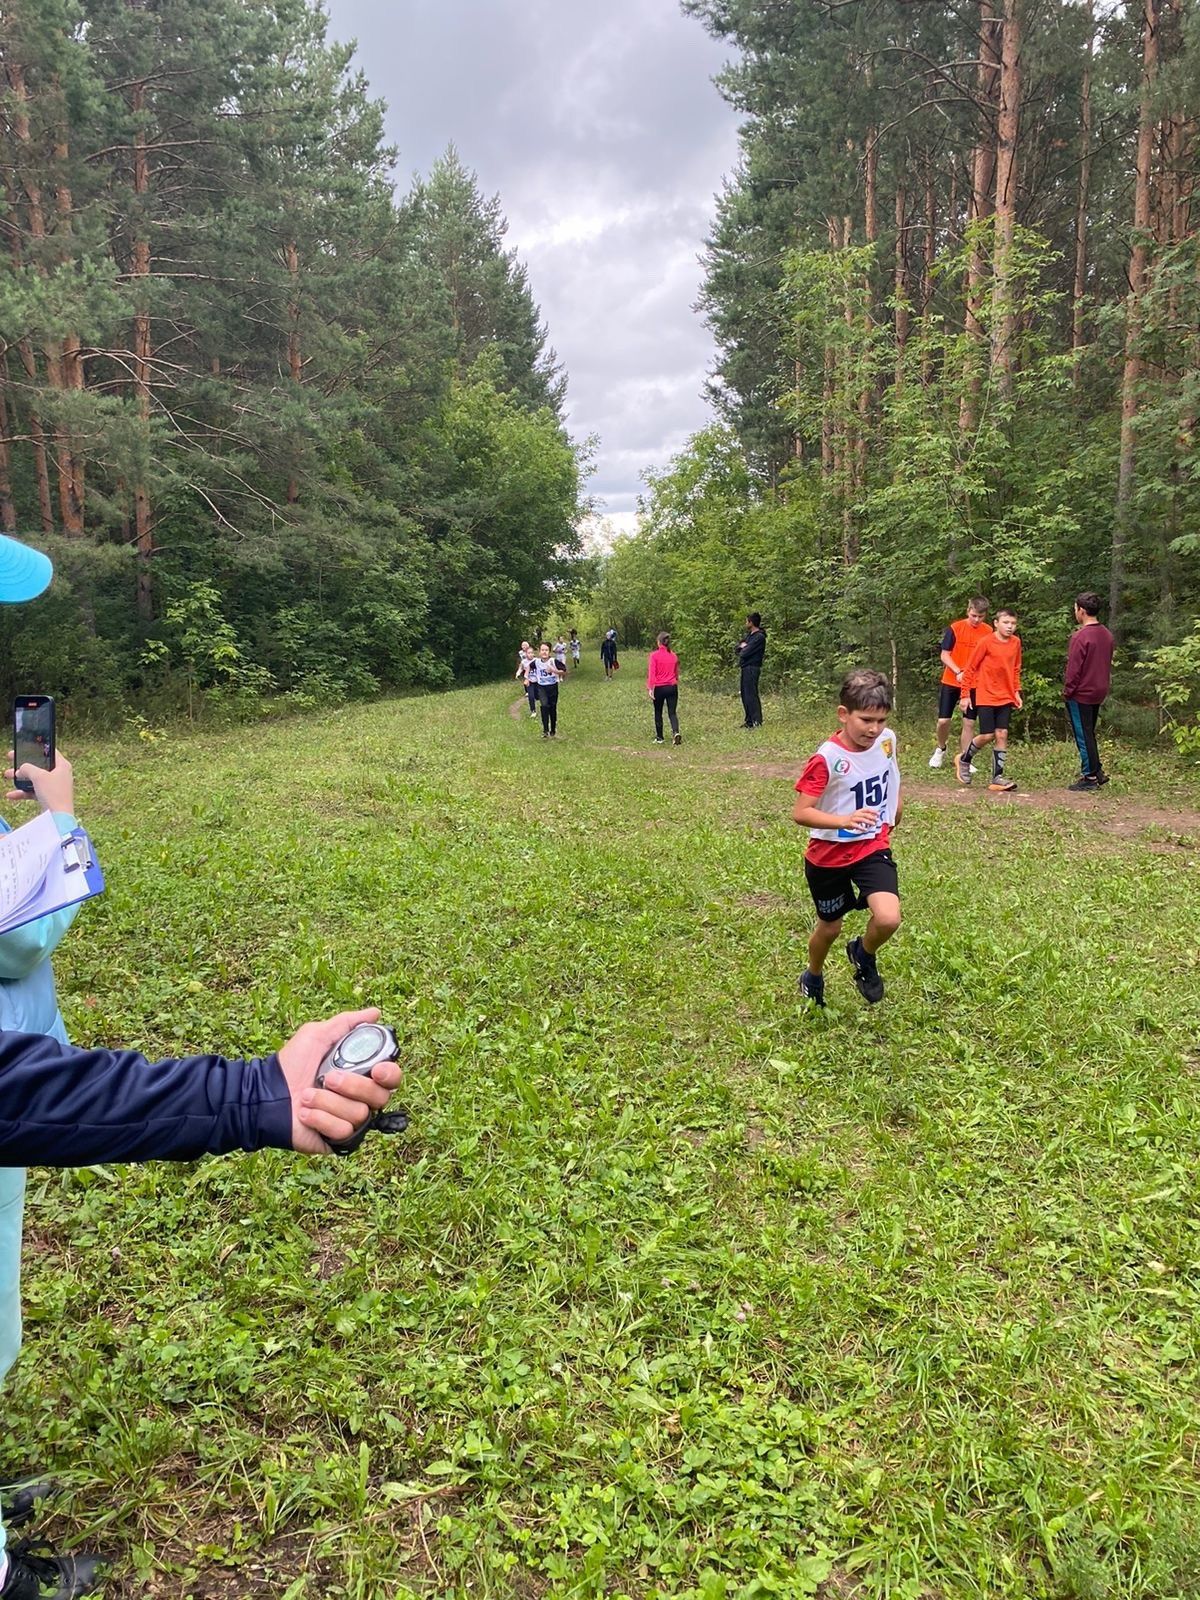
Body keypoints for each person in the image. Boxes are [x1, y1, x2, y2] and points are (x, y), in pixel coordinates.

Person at [792, 669, 902, 1007]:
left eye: (881, 720)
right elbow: (801, 812)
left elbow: (889, 773)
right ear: (844, 714)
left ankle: (863, 954)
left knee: (888, 917)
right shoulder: (827, 758)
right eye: (866, 719)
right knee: (830, 928)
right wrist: (844, 819)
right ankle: (812, 974)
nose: (874, 728)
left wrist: (895, 807)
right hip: (828, 855)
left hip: (871, 844)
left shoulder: (887, 740)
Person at [958, 608, 1022, 792]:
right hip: (985, 694)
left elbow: (1016, 668)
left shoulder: (1016, 643)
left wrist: (1016, 691)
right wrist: (964, 695)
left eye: (1013, 623)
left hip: (1006, 695)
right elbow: (969, 669)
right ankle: (964, 759)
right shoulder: (985, 642)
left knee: (1002, 734)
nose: (1010, 627)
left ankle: (997, 777)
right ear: (996, 623)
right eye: (1006, 623)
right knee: (987, 735)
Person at [929, 597, 991, 768]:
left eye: (980, 616)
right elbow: (944, 654)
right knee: (943, 720)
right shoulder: (955, 628)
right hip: (951, 680)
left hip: (974, 683)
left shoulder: (988, 632)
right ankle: (941, 749)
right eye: (973, 615)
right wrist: (958, 671)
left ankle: (965, 759)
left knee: (969, 722)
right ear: (968, 611)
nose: (977, 620)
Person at [1064, 591, 1114, 790]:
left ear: (1082, 611)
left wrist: (1068, 691)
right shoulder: (1106, 635)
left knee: (1083, 735)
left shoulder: (1081, 637)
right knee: (1089, 732)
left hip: (1081, 693)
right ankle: (1097, 769)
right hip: (1099, 690)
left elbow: (1074, 670)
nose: (1075, 612)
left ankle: (1089, 777)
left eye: (1076, 609)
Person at [646, 632, 682, 746]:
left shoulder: (654, 655)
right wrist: (675, 681)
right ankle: (676, 732)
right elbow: (676, 673)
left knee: (658, 711)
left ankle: (660, 737)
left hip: (660, 688)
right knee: (672, 712)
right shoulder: (673, 656)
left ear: (659, 642)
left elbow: (652, 673)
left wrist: (650, 688)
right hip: (672, 686)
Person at [735, 613, 766, 728]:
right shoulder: (749, 636)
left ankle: (756, 721)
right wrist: (742, 647)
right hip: (745, 667)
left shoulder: (759, 637)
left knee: (751, 694)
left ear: (751, 622)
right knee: (745, 694)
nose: (745, 623)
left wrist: (743, 647)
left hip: (752, 667)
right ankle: (749, 720)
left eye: (746, 621)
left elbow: (744, 653)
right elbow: (737, 648)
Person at [530, 642, 565, 738]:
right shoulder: (536, 662)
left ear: (549, 652)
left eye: (546, 650)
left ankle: (553, 729)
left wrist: (554, 671)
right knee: (544, 706)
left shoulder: (554, 661)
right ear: (539, 652)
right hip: (541, 687)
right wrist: (526, 677)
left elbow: (564, 671)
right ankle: (545, 730)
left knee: (552, 708)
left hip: (553, 687)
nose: (544, 652)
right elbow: (529, 666)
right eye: (542, 650)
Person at [515, 643, 538, 718]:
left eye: (532, 653)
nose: (530, 654)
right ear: (526, 654)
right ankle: (533, 711)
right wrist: (518, 673)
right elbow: (520, 668)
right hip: (529, 681)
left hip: (538, 681)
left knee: (537, 696)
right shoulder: (524, 662)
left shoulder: (537, 660)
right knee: (531, 696)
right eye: (529, 653)